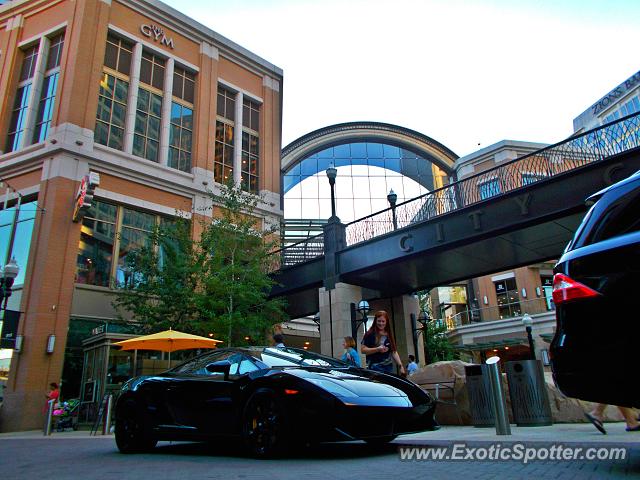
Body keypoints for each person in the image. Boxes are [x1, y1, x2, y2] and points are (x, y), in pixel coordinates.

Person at [360, 310, 406, 376]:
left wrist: (400, 366)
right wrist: (377, 349)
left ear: (386, 322)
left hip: (388, 368)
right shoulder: (370, 334)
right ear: (375, 321)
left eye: (383, 321)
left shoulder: (388, 334)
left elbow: (394, 351)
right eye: (379, 321)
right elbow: (363, 350)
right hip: (374, 368)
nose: (381, 323)